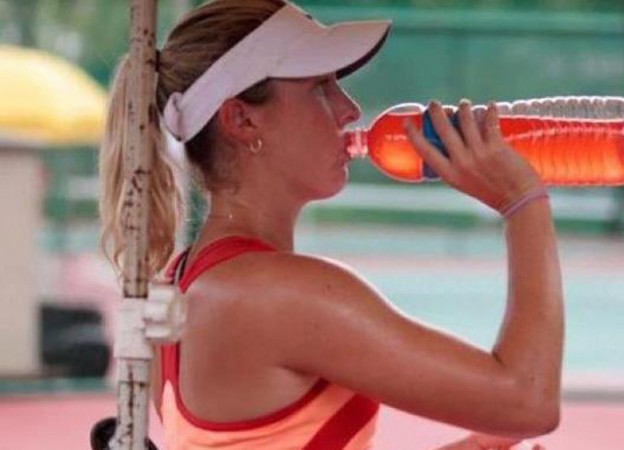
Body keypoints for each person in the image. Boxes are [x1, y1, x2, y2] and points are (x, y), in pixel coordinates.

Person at [99, 1, 563, 449]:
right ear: (241, 119)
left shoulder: (182, 280)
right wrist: (522, 201)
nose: (350, 109)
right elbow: (527, 401)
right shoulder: (277, 293)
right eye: (321, 87)